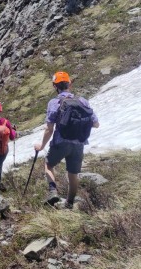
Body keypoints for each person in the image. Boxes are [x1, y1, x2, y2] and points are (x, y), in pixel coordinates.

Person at [34, 71, 99, 209]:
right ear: (69, 84)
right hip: (79, 144)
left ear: (54, 86)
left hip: (61, 142)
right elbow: (96, 124)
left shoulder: (54, 102)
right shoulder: (83, 101)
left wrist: (42, 145)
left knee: (48, 165)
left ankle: (53, 192)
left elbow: (49, 129)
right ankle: (69, 204)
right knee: (73, 174)